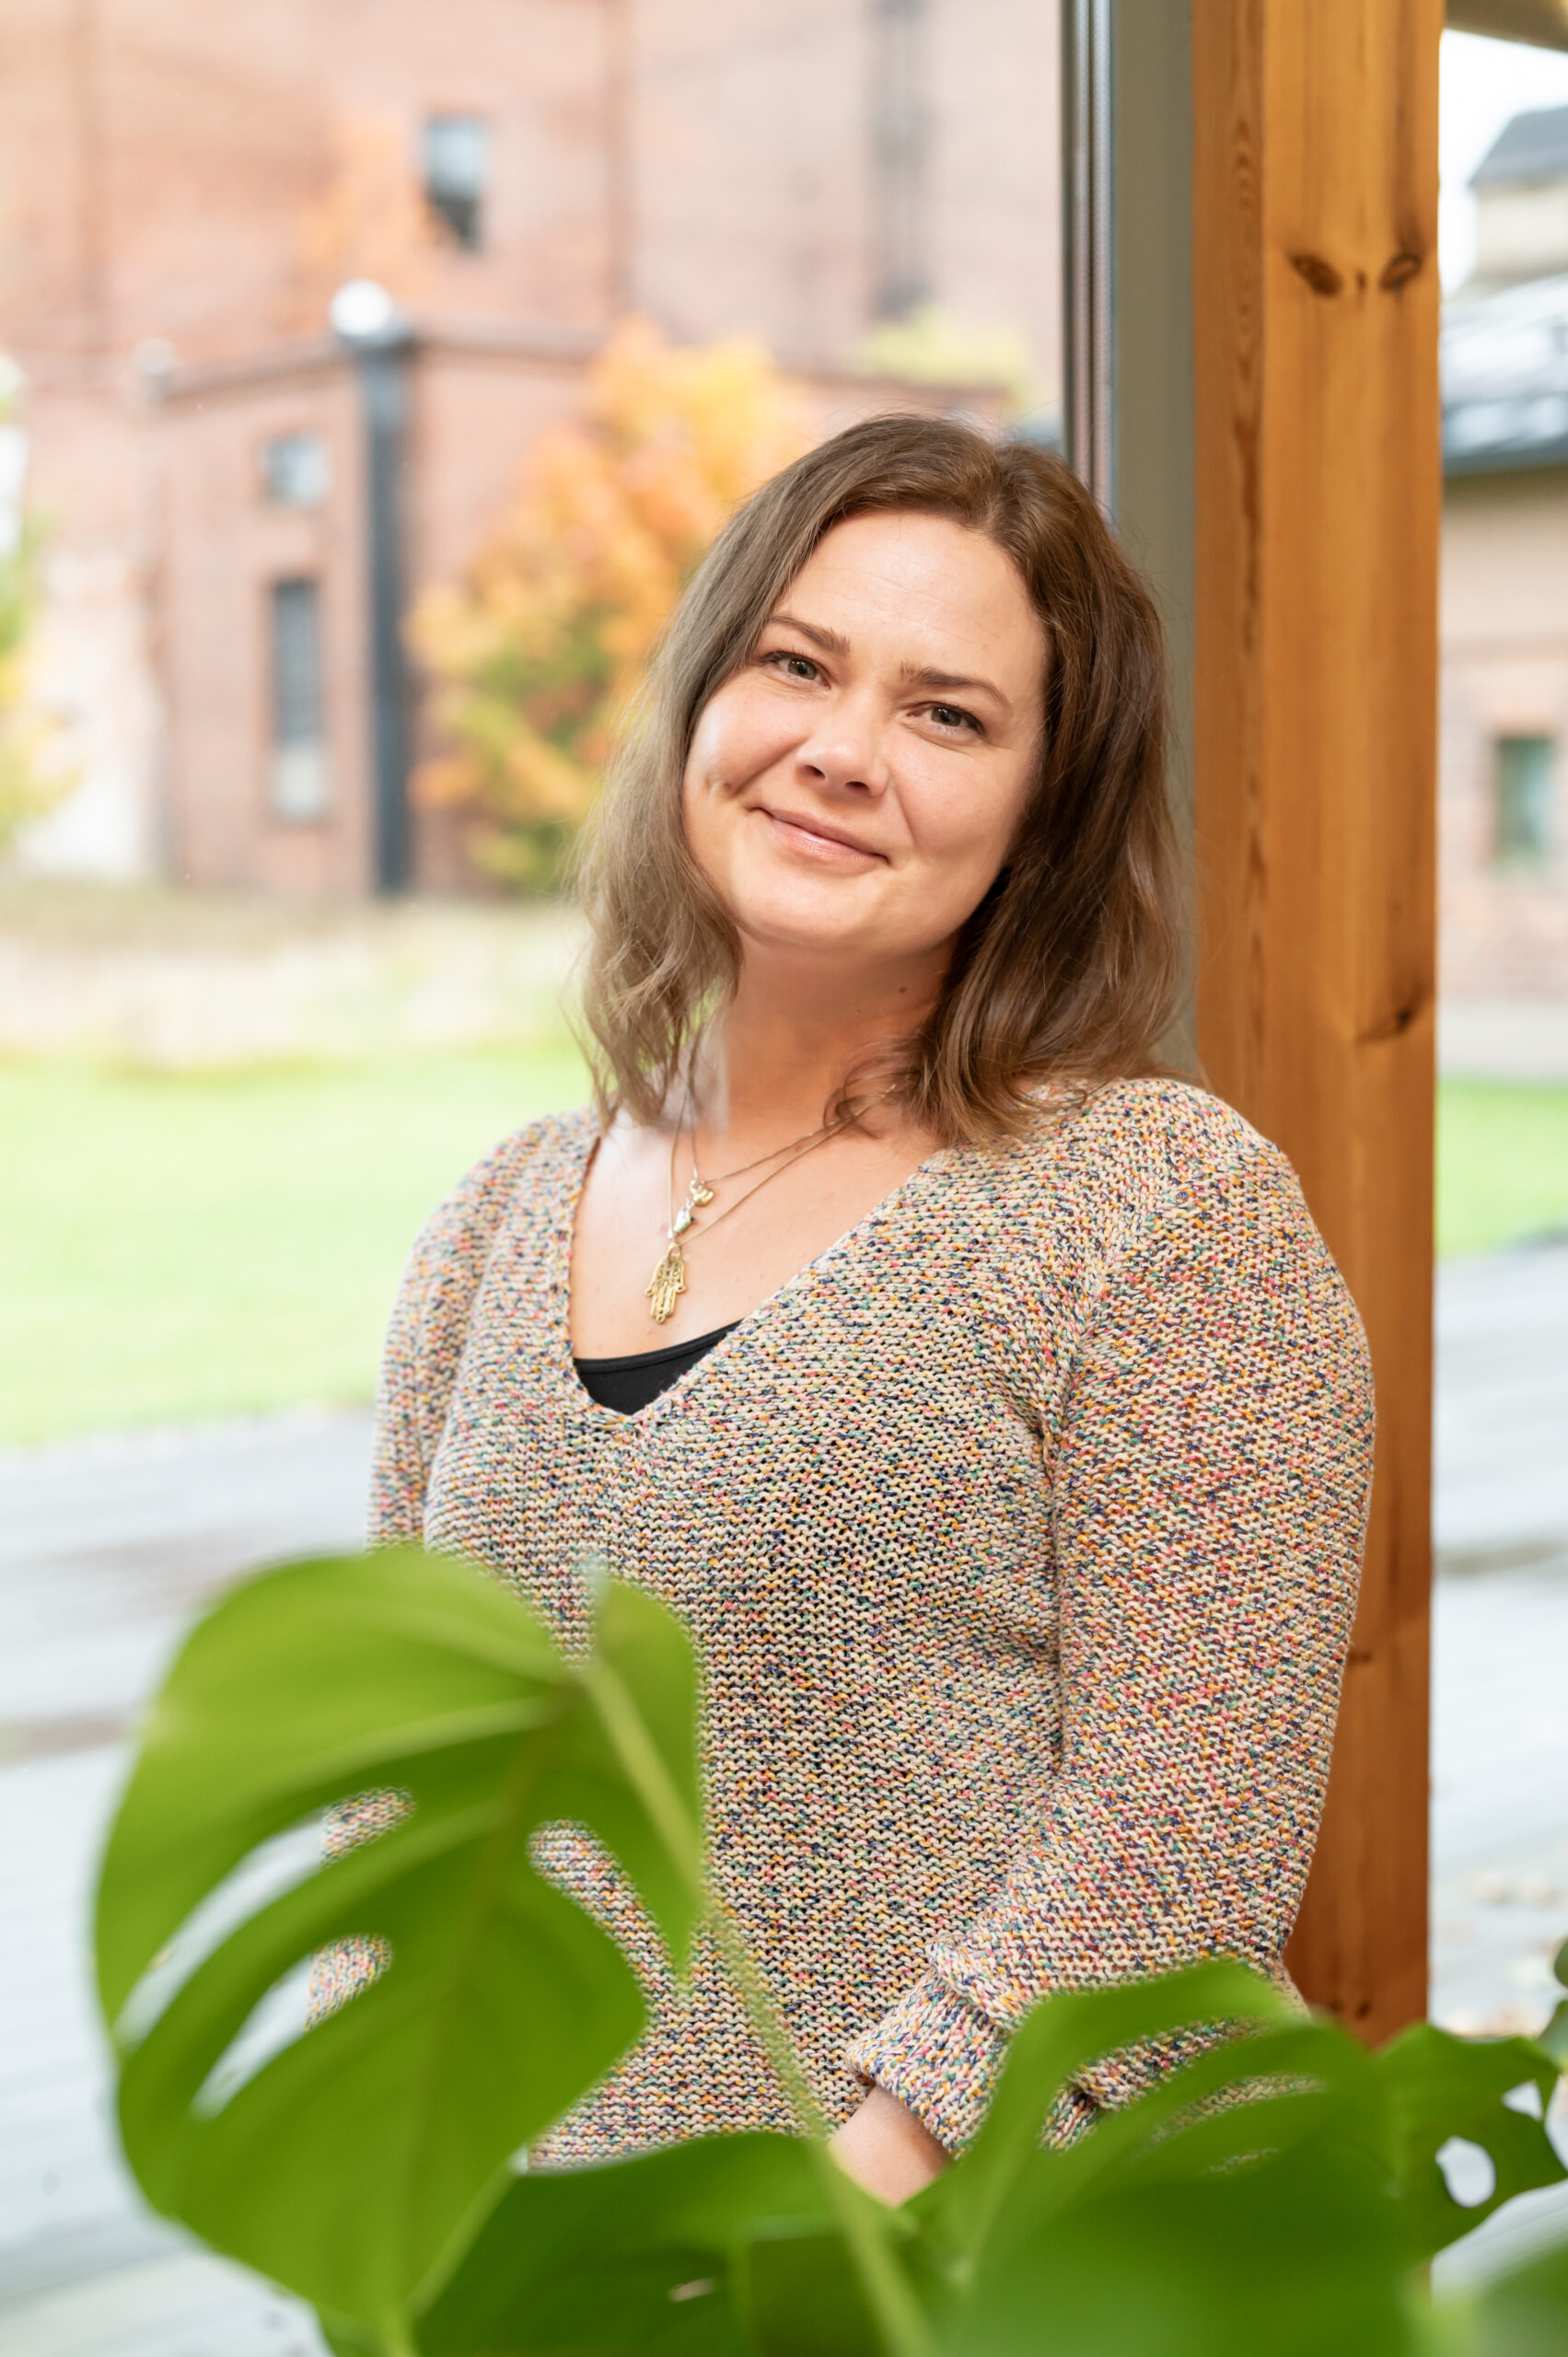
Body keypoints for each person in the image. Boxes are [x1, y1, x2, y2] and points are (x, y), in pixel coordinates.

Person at [362, 415, 1373, 2203]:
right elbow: (395, 1778)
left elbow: (1178, 1843)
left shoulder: (1165, 1214)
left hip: (971, 2270)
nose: (839, 751)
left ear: (1045, 812)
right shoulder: (495, 1217)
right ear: (701, 699)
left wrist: (842, 2226)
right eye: (797, 663)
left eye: (946, 713)